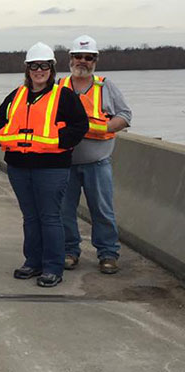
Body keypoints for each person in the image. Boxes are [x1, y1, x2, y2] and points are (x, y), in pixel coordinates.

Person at [0, 42, 88, 288]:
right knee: (30, 217)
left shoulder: (63, 96)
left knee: (50, 217)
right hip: (19, 167)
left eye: (44, 66)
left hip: (52, 168)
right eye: (34, 66)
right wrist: (0, 137)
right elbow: (0, 124)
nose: (39, 71)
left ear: (51, 68)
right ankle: (32, 261)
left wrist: (59, 141)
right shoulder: (16, 95)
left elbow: (80, 126)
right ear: (27, 69)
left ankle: (53, 267)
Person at [59, 35, 132, 274]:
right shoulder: (59, 87)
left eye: (88, 57)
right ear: (70, 59)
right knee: (64, 210)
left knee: (102, 210)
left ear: (95, 60)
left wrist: (103, 127)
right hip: (64, 162)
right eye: (78, 57)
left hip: (97, 163)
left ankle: (108, 253)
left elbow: (124, 116)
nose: (83, 61)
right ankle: (69, 251)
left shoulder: (105, 86)